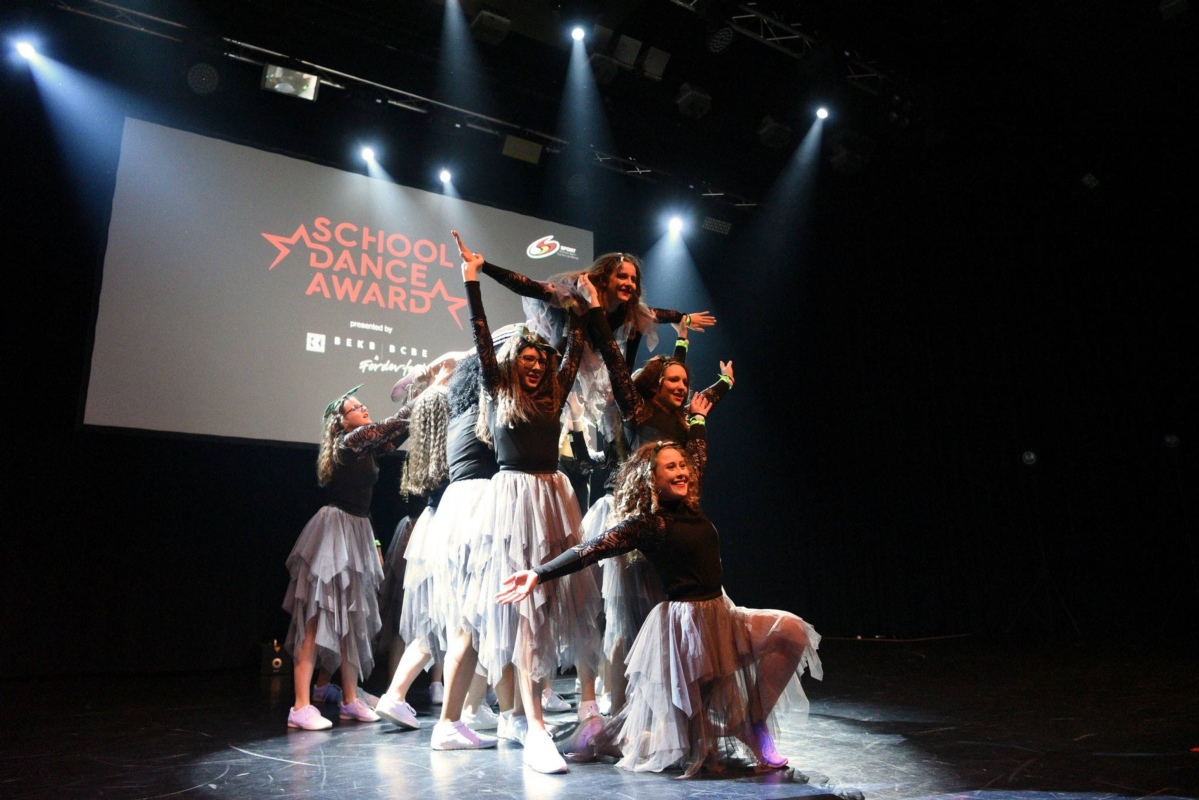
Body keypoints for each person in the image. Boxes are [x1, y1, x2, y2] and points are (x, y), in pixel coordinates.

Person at [497, 439, 822, 777]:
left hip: (723, 615)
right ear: (651, 478)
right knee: (688, 747)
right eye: (671, 467)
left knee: (791, 632)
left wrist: (699, 417)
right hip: (686, 630)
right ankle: (598, 738)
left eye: (683, 465)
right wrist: (538, 573)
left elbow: (698, 452)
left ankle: (750, 723)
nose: (681, 472)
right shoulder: (650, 524)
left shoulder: (690, 505)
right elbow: (592, 549)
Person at [455, 230, 604, 773]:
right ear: (512, 364)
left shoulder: (556, 392)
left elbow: (575, 347)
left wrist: (585, 306)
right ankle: (533, 725)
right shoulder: (499, 389)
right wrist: (474, 278)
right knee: (524, 613)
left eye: (542, 359)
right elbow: (480, 333)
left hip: (552, 498)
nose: (537, 365)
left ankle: (560, 711)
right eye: (528, 359)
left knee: (554, 605)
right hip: (512, 500)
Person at [282, 386, 412, 730]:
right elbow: (392, 424)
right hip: (334, 532)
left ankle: (351, 700)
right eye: (356, 407)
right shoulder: (350, 441)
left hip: (358, 529)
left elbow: (399, 432)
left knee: (351, 620)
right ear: (341, 422)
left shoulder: (366, 446)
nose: (364, 409)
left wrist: (420, 404)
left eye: (363, 405)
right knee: (316, 616)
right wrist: (421, 395)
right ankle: (300, 706)